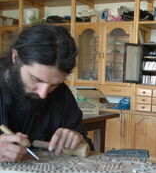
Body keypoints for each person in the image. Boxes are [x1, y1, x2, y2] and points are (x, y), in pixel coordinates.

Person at [0, 24, 91, 162]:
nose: (43, 94)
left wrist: (77, 139)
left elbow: (85, 144)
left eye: (54, 85)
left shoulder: (61, 93)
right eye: (36, 79)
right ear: (15, 58)